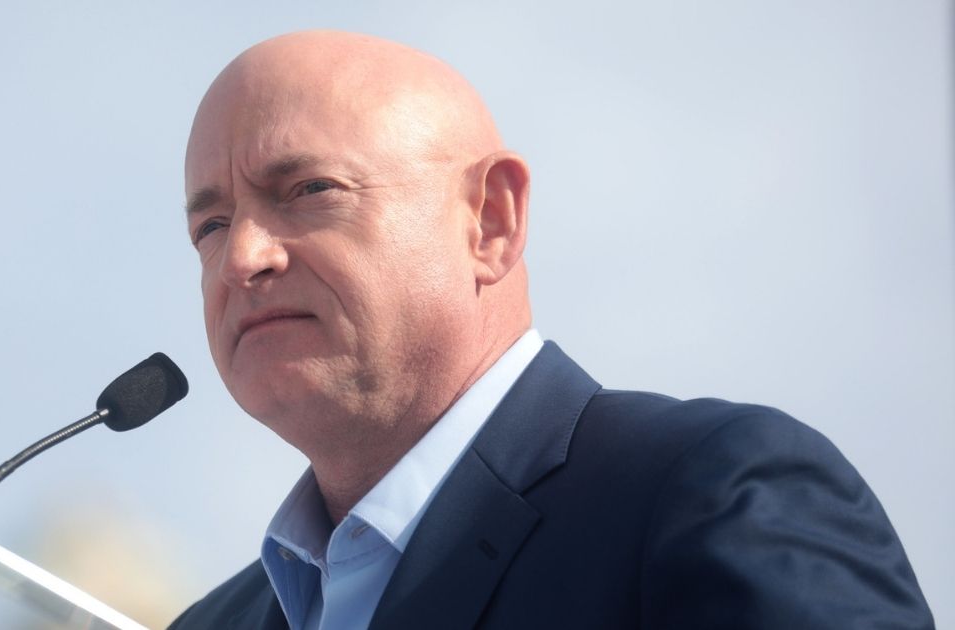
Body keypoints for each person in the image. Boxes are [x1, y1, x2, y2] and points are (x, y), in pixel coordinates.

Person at [170, 30, 933, 629]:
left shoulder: (703, 497)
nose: (241, 258)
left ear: (490, 222)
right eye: (210, 223)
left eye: (309, 189)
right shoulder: (207, 623)